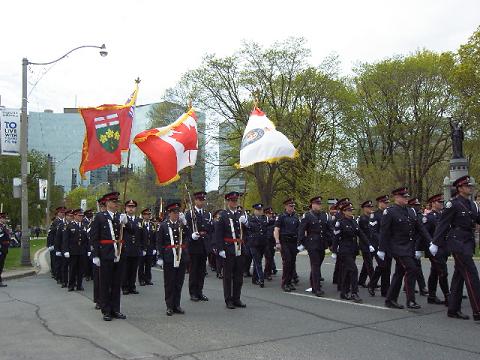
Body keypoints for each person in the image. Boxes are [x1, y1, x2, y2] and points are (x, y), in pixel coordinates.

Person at [430, 175, 480, 321]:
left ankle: (453, 309)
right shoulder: (453, 204)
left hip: (468, 243)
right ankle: (478, 310)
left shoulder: (471, 204)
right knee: (472, 275)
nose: (470, 188)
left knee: (459, 276)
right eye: (467, 186)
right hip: (458, 243)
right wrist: (435, 243)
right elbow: (443, 224)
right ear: (460, 188)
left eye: (470, 186)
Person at [378, 187, 432, 310]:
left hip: (409, 248)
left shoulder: (411, 211)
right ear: (396, 197)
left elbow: (421, 228)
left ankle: (390, 299)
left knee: (399, 273)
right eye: (404, 196)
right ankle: (410, 300)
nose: (406, 198)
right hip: (397, 248)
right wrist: (381, 249)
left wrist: (431, 242)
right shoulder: (390, 212)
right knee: (412, 269)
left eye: (407, 196)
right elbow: (384, 232)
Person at [90, 191, 127, 321]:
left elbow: (127, 234)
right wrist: (95, 255)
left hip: (118, 254)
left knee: (117, 283)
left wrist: (125, 223)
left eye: (117, 202)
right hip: (105, 254)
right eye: (114, 202)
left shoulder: (120, 217)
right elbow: (94, 238)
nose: (116, 204)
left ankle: (115, 309)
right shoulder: (100, 217)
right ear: (107, 203)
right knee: (105, 283)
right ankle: (106, 310)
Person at [332, 201, 369, 303]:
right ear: (343, 211)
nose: (351, 212)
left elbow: (360, 234)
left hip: (353, 249)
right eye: (348, 210)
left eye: (351, 210)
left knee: (347, 271)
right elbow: (336, 237)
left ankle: (343, 292)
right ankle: (354, 293)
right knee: (354, 270)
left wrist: (368, 244)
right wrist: (334, 251)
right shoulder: (340, 222)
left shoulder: (353, 221)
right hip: (344, 250)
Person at [215, 192, 247, 309]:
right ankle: (228, 299)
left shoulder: (241, 214)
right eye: (232, 201)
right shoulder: (223, 215)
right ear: (228, 202)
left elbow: (247, 231)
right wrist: (220, 249)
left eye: (236, 200)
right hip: (228, 248)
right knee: (228, 276)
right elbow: (218, 234)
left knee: (239, 276)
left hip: (239, 248)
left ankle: (237, 298)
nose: (235, 202)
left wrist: (246, 223)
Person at [157, 202, 189, 316]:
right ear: (169, 213)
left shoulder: (182, 225)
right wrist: (160, 257)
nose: (176, 214)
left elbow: (188, 237)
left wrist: (186, 224)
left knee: (179, 282)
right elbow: (159, 242)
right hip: (169, 257)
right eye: (173, 212)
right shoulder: (164, 225)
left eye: (177, 212)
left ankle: (177, 305)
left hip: (181, 256)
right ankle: (169, 306)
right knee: (169, 282)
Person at [297, 196, 333, 297]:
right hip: (312, 244)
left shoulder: (324, 215)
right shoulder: (307, 216)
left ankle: (313, 283)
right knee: (316, 265)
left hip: (322, 244)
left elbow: (329, 230)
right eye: (317, 204)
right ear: (312, 204)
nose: (319, 206)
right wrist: (301, 243)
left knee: (317, 264)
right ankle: (316, 288)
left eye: (320, 204)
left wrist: (331, 243)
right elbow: (301, 230)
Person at [420, 194, 450, 305]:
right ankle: (448, 296)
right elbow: (424, 233)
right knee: (443, 272)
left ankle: (431, 296)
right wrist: (426, 246)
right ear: (433, 203)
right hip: (435, 249)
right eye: (439, 202)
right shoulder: (429, 217)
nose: (442, 204)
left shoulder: (443, 215)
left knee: (435, 272)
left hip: (444, 248)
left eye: (442, 202)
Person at [186, 191, 212, 302]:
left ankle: (200, 291)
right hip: (194, 245)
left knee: (202, 271)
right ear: (195, 200)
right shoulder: (189, 214)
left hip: (204, 245)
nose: (201, 202)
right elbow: (186, 230)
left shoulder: (207, 214)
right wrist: (192, 236)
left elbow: (210, 230)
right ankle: (193, 293)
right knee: (194, 270)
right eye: (199, 200)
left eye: (203, 200)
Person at [274, 198, 300, 292]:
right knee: (287, 262)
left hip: (293, 242)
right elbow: (276, 229)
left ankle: (289, 282)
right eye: (290, 206)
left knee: (292, 262)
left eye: (293, 206)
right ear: (285, 206)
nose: (292, 207)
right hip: (284, 241)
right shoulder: (281, 217)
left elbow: (299, 229)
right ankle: (285, 283)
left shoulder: (295, 217)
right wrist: (277, 241)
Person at [369, 195, 392, 297]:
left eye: (387, 203)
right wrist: (382, 240)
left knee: (387, 267)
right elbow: (374, 232)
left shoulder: (389, 213)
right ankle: (372, 285)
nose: (387, 204)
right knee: (382, 266)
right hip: (378, 245)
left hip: (388, 245)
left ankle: (385, 290)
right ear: (380, 203)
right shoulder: (375, 215)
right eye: (385, 203)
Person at [62, 209, 89, 291]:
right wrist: (66, 250)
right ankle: (71, 285)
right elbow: (65, 239)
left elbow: (87, 240)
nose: (81, 217)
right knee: (72, 269)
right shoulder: (69, 226)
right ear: (74, 216)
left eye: (82, 216)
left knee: (81, 269)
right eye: (79, 215)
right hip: (73, 251)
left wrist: (88, 250)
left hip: (82, 251)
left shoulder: (85, 226)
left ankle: (79, 285)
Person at [407, 197, 429, 296]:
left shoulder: (419, 216)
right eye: (415, 206)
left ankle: (422, 287)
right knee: (411, 268)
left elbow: (421, 232)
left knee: (416, 267)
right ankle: (420, 287)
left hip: (416, 244)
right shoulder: (408, 215)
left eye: (418, 205)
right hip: (409, 245)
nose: (418, 207)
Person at [122, 200, 143, 295]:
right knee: (125, 269)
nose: (131, 208)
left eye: (133, 206)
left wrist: (142, 247)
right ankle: (125, 286)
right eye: (129, 206)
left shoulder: (139, 220)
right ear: (126, 208)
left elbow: (143, 235)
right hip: (126, 248)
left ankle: (132, 286)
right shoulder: (122, 219)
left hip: (136, 248)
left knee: (134, 269)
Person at [357, 200, 377, 296]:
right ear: (364, 208)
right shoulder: (363, 219)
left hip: (371, 244)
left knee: (366, 264)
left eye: (371, 207)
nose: (370, 209)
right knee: (369, 264)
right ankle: (373, 282)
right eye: (369, 207)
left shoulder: (370, 218)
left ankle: (361, 281)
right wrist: (368, 244)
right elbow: (362, 234)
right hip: (365, 244)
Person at [246, 203, 268, 288]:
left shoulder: (264, 218)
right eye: (258, 210)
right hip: (253, 243)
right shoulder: (250, 219)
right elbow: (249, 229)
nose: (260, 211)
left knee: (257, 261)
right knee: (258, 261)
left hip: (262, 243)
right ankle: (261, 279)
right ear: (254, 210)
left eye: (261, 210)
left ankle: (255, 278)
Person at [47, 207, 66, 281]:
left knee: (62, 261)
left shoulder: (64, 222)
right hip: (56, 244)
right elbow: (51, 234)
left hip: (63, 244)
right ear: (58, 213)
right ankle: (56, 274)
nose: (62, 214)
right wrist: (50, 245)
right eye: (61, 213)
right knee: (56, 261)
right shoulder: (55, 222)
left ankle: (61, 275)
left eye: (63, 213)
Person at [138, 208, 156, 286]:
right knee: (141, 265)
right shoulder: (140, 224)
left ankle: (148, 279)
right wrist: (141, 248)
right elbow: (139, 238)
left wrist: (155, 248)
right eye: (146, 214)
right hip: (142, 248)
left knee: (148, 265)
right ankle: (141, 279)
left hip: (150, 248)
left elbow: (155, 237)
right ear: (143, 215)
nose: (148, 216)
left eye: (149, 214)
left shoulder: (152, 225)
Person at [263, 207, 276, 280]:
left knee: (271, 257)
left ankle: (268, 272)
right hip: (265, 241)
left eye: (271, 214)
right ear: (265, 213)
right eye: (268, 213)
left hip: (272, 241)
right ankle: (267, 273)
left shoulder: (273, 221)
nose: (270, 215)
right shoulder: (263, 220)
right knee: (268, 257)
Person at [0, 212, 11, 287]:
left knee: (1, 265)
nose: (5, 219)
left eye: (5, 218)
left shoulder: (4, 226)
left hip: (4, 248)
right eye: (4, 218)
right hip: (0, 248)